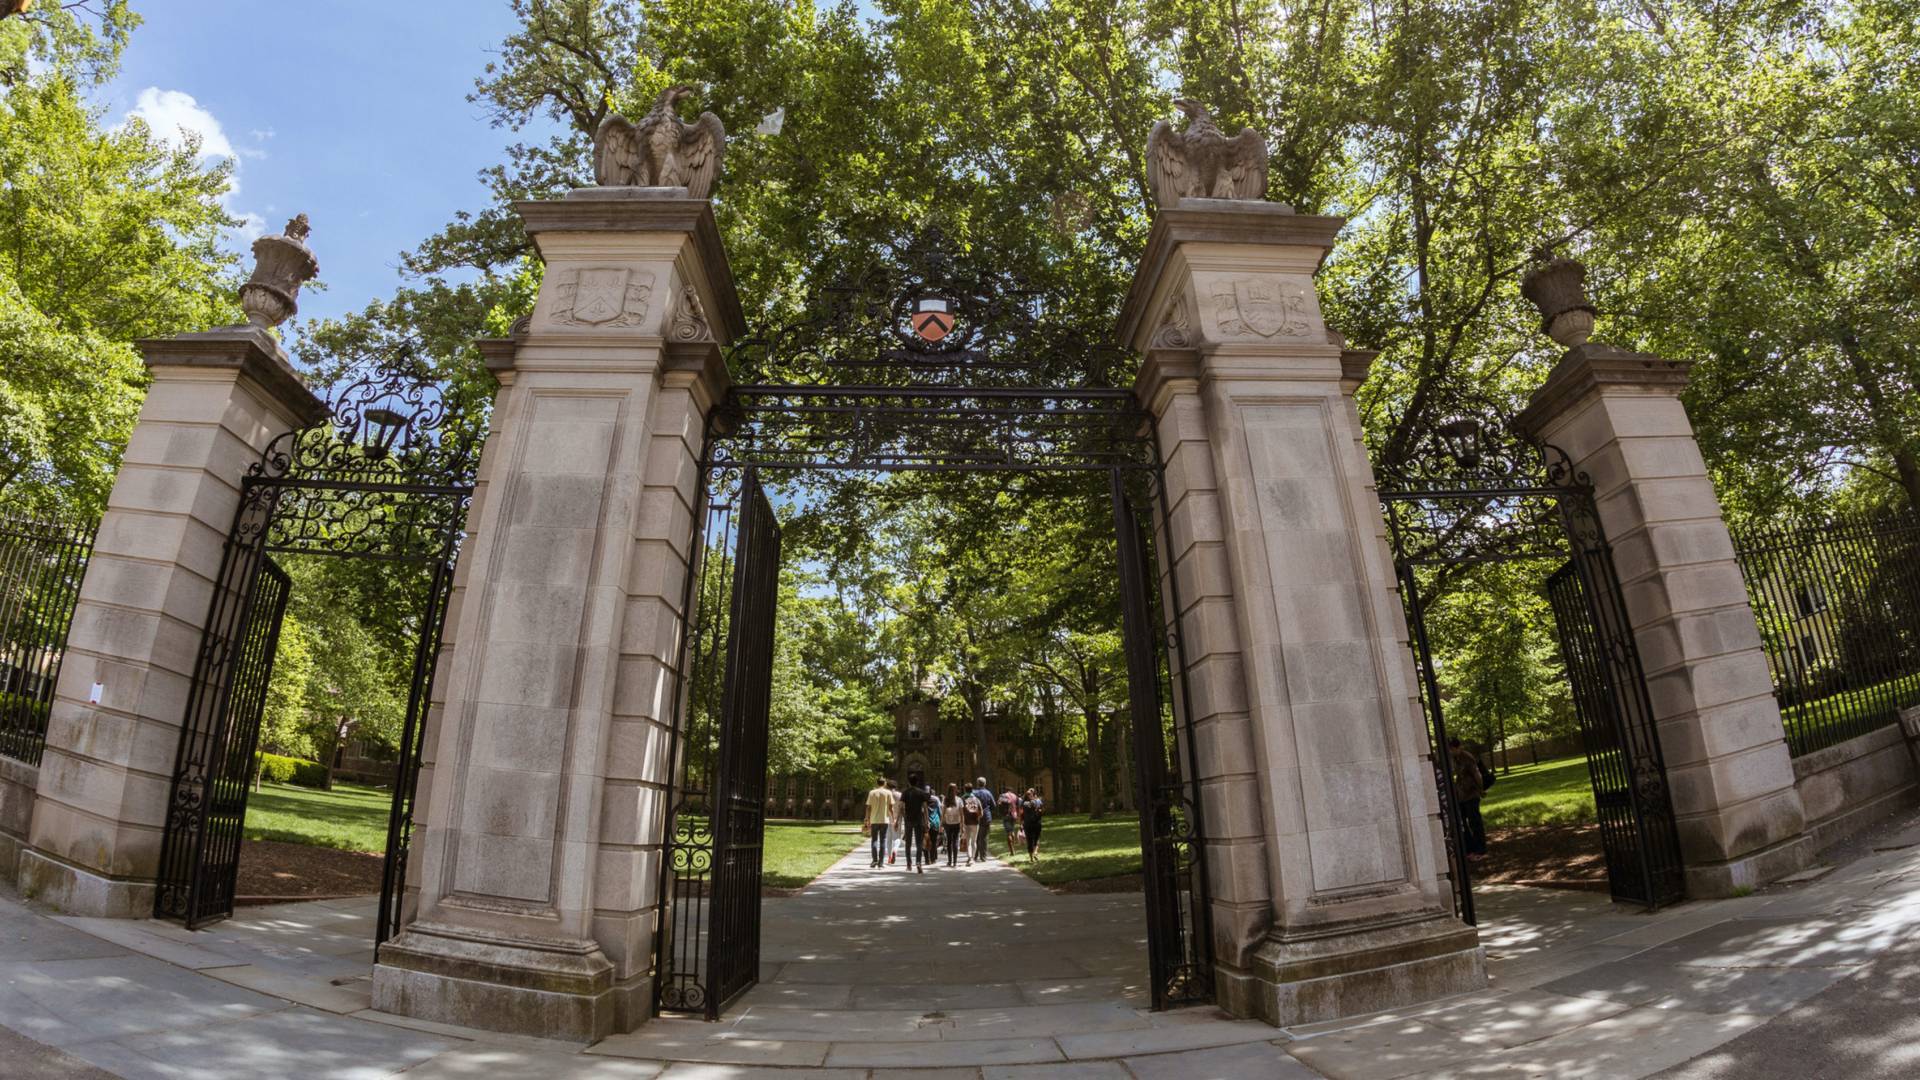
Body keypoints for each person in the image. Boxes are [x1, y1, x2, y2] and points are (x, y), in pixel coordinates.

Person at [1447, 737, 1488, 859]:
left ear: (1457, 747)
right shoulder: (1455, 758)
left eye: (1452, 749)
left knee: (1475, 822)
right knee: (1462, 822)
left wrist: (1481, 789)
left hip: (1471, 794)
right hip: (1462, 796)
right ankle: (1471, 847)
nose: (1450, 751)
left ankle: (1480, 849)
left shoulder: (1467, 758)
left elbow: (1476, 774)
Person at [901, 771, 932, 873]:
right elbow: (925, 807)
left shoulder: (905, 792)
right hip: (919, 819)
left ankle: (909, 864)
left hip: (908, 820)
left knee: (908, 843)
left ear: (909, 782)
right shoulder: (921, 792)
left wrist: (903, 817)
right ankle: (918, 863)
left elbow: (901, 807)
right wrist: (927, 821)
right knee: (919, 843)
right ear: (917, 782)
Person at [863, 776, 892, 867]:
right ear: (885, 783)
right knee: (883, 840)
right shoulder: (888, 792)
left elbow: (868, 807)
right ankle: (881, 862)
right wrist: (893, 818)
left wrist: (867, 818)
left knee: (874, 840)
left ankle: (874, 860)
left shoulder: (872, 792)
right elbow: (891, 807)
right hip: (884, 819)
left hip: (874, 820)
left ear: (877, 783)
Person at [970, 776, 996, 862]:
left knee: (976, 837)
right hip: (986, 817)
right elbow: (994, 805)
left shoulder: (973, 793)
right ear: (985, 784)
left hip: (975, 817)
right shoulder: (988, 793)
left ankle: (975, 855)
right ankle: (983, 856)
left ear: (977, 783)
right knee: (984, 837)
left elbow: (970, 806)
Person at [1020, 787, 1046, 861]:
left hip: (1027, 824)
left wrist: (1021, 824)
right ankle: (1035, 852)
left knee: (1029, 840)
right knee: (1036, 839)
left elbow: (1021, 814)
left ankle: (1031, 858)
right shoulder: (1038, 801)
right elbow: (1042, 811)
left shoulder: (1023, 803)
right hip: (1037, 823)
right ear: (1034, 794)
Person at [941, 784, 964, 867]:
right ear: (955, 790)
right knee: (955, 842)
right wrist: (962, 825)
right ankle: (954, 861)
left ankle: (950, 861)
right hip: (956, 822)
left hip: (948, 823)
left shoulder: (945, 800)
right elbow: (962, 814)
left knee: (949, 842)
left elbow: (943, 813)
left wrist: (941, 824)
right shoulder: (959, 800)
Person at [998, 789, 1022, 857]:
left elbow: (999, 803)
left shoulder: (1003, 795)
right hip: (1014, 815)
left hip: (1006, 815)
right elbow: (1018, 806)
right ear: (1011, 791)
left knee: (1008, 833)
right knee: (1012, 831)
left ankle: (1012, 851)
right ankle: (1013, 847)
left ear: (1006, 791)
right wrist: (1018, 816)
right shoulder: (1015, 796)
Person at [886, 779, 903, 865]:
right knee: (897, 838)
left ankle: (889, 857)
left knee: (888, 839)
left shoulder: (886, 795)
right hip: (897, 818)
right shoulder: (900, 795)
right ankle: (895, 851)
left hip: (887, 818)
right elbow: (902, 808)